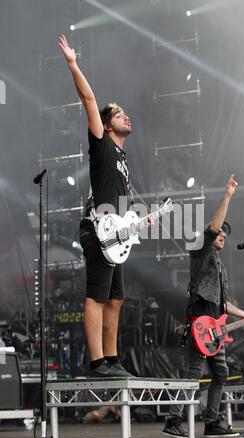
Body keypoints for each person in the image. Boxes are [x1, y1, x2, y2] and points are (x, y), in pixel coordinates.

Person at [162, 175, 244, 438]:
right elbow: (213, 227)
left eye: (225, 235)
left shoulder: (221, 268)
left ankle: (211, 422)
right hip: (199, 322)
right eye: (221, 232)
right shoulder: (199, 251)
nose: (223, 235)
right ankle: (173, 418)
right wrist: (228, 196)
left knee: (221, 372)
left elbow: (224, 305)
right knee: (193, 372)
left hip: (216, 329)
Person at [59, 34, 136, 378]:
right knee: (97, 294)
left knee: (116, 298)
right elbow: (89, 98)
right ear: (107, 124)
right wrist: (73, 63)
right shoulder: (102, 143)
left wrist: (135, 224)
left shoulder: (123, 158)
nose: (126, 117)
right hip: (97, 228)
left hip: (116, 233)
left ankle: (112, 358)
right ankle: (96, 362)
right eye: (119, 114)